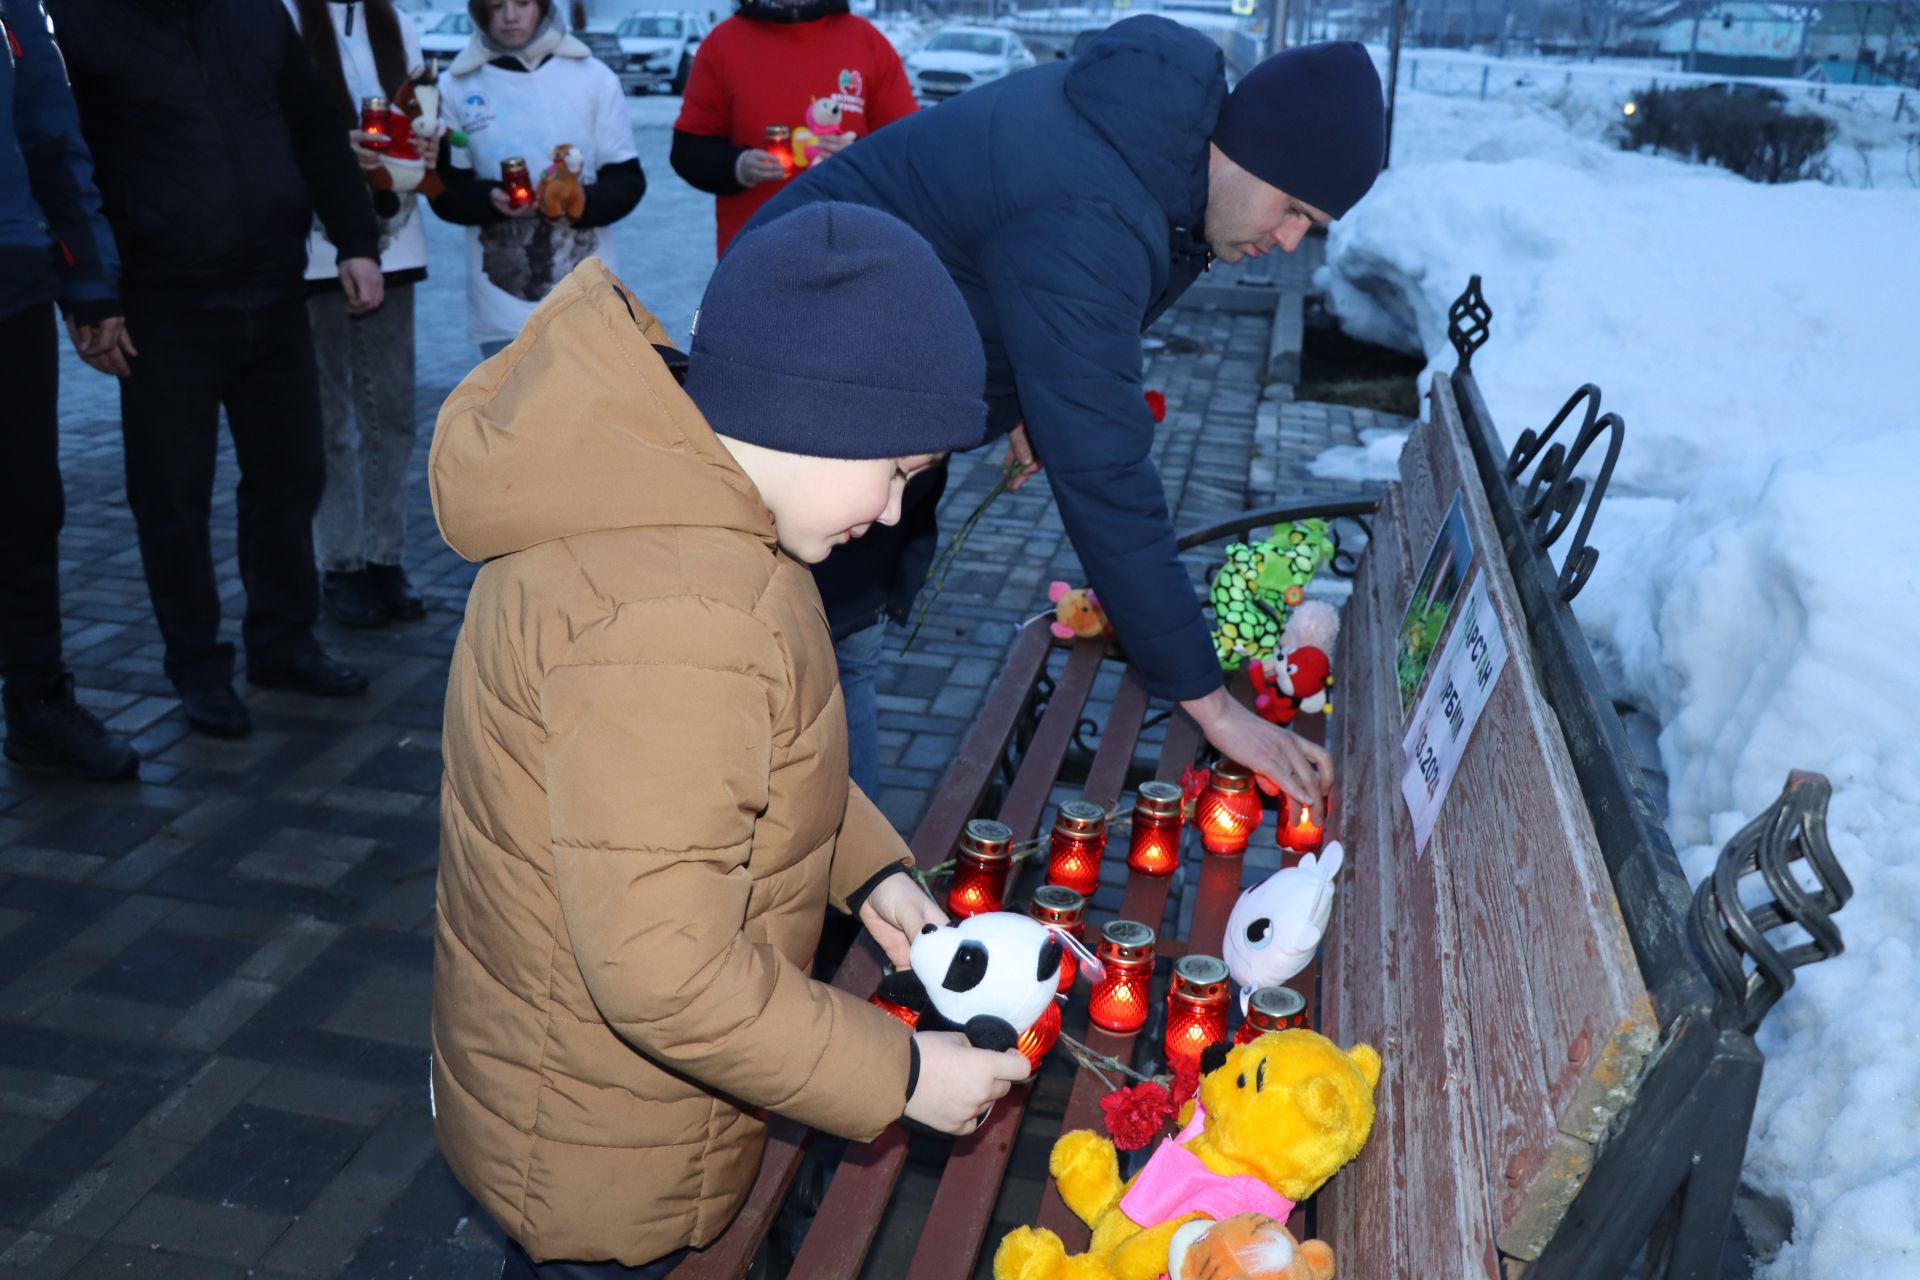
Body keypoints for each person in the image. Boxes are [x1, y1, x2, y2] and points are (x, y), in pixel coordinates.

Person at [429, 204, 1028, 1278]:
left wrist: (875, 870)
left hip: (575, 1089)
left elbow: (747, 764)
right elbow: (665, 970)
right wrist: (897, 1074)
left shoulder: (678, 515)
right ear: (810, 413)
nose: (893, 515)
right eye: (895, 470)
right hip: (606, 1141)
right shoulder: (680, 619)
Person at [751, 20, 1389, 809]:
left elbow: (1012, 279)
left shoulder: (1158, 159)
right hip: (805, 376)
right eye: (1291, 208)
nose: (1291, 241)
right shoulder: (1098, 200)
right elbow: (1106, 472)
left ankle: (833, 872)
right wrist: (1214, 708)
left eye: (1312, 228)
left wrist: (1026, 396)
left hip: (861, 382)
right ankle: (832, 896)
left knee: (837, 648)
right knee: (816, 658)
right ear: (1248, 150)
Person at [47, 0, 383, 740]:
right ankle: (198, 668)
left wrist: (356, 238)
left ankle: (284, 644)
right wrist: (88, 294)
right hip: (162, 306)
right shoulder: (77, 22)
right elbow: (61, 162)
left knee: (290, 478)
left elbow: (316, 125)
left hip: (274, 288)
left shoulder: (258, 13)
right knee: (171, 500)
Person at [0, 0, 140, 781]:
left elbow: (51, 140)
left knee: (27, 508)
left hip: (10, 287)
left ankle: (38, 706)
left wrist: (89, 285)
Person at [285, 0, 436, 631]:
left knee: (393, 415)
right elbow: (264, 123)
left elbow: (429, 116)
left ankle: (384, 557)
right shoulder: (285, 19)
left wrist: (430, 138)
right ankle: (340, 562)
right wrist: (323, 145)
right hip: (316, 249)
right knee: (331, 420)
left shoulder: (399, 21)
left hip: (395, 238)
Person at [431, 0, 645, 359]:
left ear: (544, 7)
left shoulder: (592, 77)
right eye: (497, 6)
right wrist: (488, 199)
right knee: (515, 413)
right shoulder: (455, 85)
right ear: (479, 13)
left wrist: (579, 205)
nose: (510, 16)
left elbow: (627, 179)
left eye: (522, 3)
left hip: (588, 298)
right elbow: (446, 191)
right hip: (503, 307)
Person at [669, 0, 916, 256]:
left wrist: (854, 157)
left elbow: (909, 153)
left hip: (855, 252)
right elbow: (688, 150)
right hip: (753, 256)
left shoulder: (867, 41)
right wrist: (738, 166)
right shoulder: (723, 43)